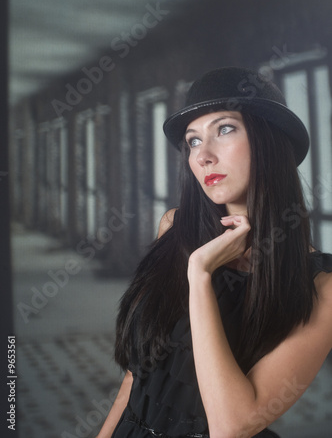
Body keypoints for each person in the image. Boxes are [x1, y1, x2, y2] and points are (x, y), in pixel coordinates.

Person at [97, 67, 332, 438]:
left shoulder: (322, 287)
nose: (203, 155)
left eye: (224, 129)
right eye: (192, 141)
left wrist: (201, 274)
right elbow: (138, 374)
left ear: (268, 139)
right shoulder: (175, 228)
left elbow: (231, 426)